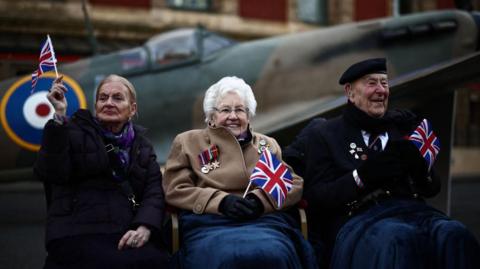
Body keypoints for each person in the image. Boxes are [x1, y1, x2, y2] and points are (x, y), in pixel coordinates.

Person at [284, 58, 480, 268]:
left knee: (455, 234)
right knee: (399, 240)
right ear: (350, 92)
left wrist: (421, 168)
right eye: (371, 83)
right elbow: (318, 198)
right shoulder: (325, 133)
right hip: (361, 218)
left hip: (414, 211)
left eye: (384, 83)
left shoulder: (402, 128)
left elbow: (431, 188)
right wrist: (362, 176)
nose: (381, 90)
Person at [163, 76, 318, 269]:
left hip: (263, 222)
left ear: (249, 115)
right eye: (225, 110)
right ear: (211, 115)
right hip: (211, 223)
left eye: (240, 110)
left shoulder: (266, 144)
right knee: (223, 257)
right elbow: (175, 188)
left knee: (274, 254)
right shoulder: (188, 142)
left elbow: (292, 184)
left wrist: (260, 202)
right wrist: (220, 201)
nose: (233, 116)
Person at [34, 74, 170, 268]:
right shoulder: (71, 131)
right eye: (103, 98)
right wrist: (58, 117)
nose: (109, 103)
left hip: (124, 228)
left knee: (158, 261)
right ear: (96, 106)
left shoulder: (142, 146)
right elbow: (51, 171)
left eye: (117, 98)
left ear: (132, 109)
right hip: (77, 230)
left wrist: (145, 226)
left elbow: (153, 191)